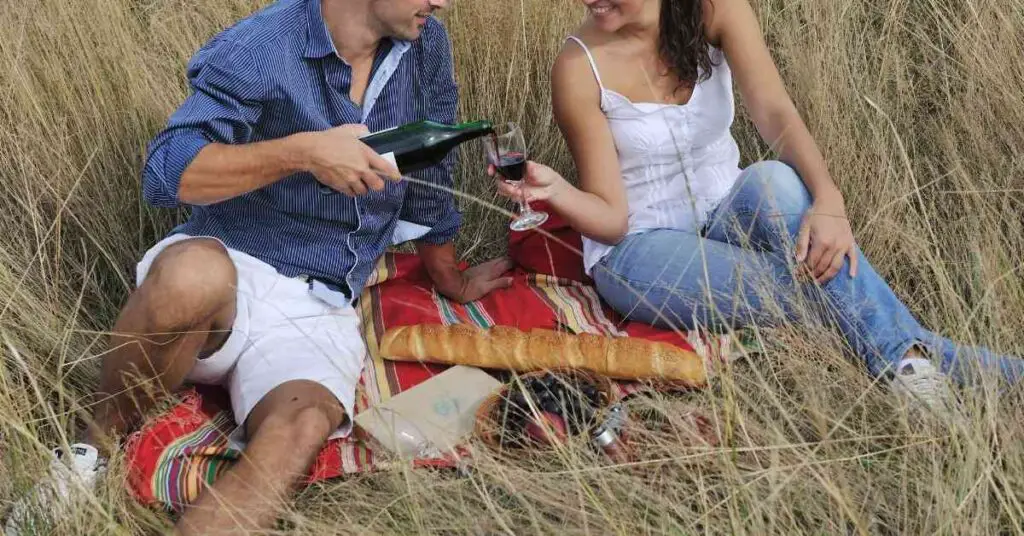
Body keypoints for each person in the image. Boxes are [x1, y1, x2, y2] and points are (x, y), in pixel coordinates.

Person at [5, 0, 514, 533]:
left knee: (300, 428)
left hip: (321, 303)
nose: (444, 2)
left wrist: (447, 275)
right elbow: (167, 172)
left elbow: (431, 172)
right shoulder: (266, 44)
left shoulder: (424, 41)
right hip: (229, 267)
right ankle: (88, 455)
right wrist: (303, 153)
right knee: (190, 276)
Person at [492, 0, 1024, 413]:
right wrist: (557, 190)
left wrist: (829, 199)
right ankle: (946, 369)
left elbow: (773, 110)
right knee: (811, 288)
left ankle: (912, 368)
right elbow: (611, 221)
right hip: (639, 249)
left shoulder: (715, 10)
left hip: (728, 203)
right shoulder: (577, 66)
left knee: (777, 180)